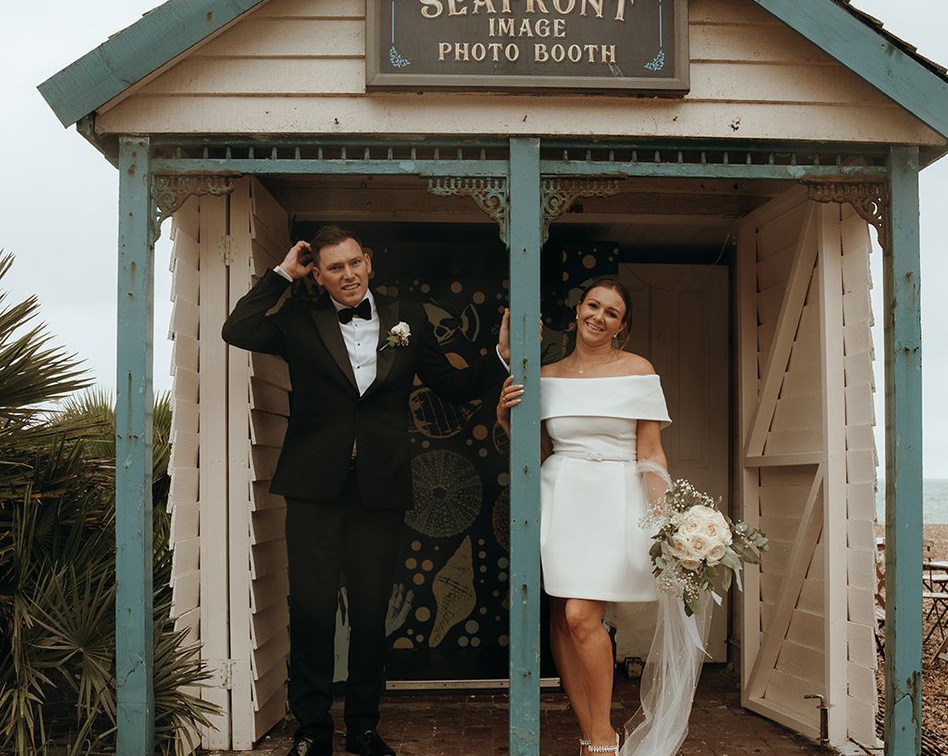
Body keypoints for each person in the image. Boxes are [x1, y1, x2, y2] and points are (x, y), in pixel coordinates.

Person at [222, 225, 510, 756]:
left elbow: (451, 387)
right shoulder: (297, 318)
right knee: (310, 611)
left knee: (371, 615)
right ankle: (311, 732)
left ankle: (363, 728)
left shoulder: (409, 317)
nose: (348, 274)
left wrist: (499, 356)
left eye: (354, 263)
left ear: (369, 262)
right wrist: (283, 273)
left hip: (379, 489)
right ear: (319, 274)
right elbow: (237, 327)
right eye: (335, 268)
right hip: (314, 489)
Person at [497, 278, 709, 756]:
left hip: (615, 500)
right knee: (562, 616)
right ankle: (590, 730)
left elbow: (652, 453)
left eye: (611, 312)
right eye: (593, 305)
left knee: (581, 616)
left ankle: (601, 738)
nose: (599, 316)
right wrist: (508, 421)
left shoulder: (638, 371)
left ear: (622, 327)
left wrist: (668, 520)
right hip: (560, 497)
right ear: (577, 310)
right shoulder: (546, 374)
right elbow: (541, 449)